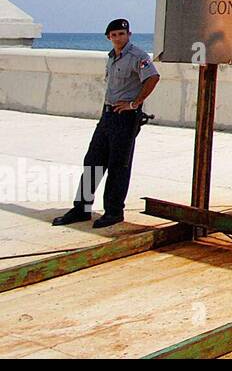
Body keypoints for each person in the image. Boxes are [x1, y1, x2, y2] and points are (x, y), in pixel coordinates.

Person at [52, 19, 160, 228]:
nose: (118, 38)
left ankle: (113, 212)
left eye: (122, 33)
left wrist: (134, 103)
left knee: (118, 166)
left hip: (126, 118)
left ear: (129, 34)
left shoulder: (138, 56)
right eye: (114, 35)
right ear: (109, 38)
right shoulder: (111, 57)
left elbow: (153, 77)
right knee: (92, 161)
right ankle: (81, 209)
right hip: (108, 115)